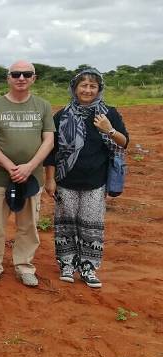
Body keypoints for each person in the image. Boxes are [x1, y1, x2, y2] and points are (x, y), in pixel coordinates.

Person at [44, 68, 129, 289]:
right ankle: (67, 264)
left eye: (93, 86)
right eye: (83, 85)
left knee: (91, 226)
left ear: (99, 89)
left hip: (95, 181)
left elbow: (124, 142)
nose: (87, 90)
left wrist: (109, 129)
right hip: (65, 181)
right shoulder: (61, 115)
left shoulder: (108, 114)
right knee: (65, 224)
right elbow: (51, 152)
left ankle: (89, 267)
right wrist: (50, 179)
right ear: (74, 88)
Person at [0, 60, 55, 287]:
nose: (21, 78)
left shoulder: (42, 106)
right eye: (16, 74)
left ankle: (24, 266)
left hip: (32, 177)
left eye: (26, 74)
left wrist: (29, 166)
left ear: (34, 78)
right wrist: (11, 166)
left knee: (29, 224)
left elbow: (49, 140)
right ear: (8, 78)